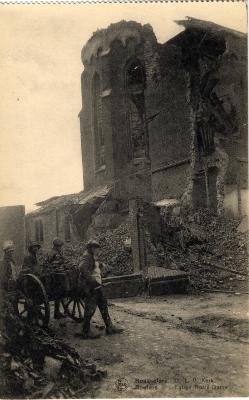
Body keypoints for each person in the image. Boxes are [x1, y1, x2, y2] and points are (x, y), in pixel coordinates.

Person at [78, 240, 123, 339]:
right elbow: (82, 269)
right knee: (90, 308)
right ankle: (85, 331)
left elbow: (94, 265)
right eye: (96, 248)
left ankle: (109, 327)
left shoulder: (93, 256)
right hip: (91, 287)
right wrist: (92, 281)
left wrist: (101, 265)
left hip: (97, 286)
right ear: (91, 248)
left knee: (103, 305)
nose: (98, 250)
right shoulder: (86, 256)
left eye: (98, 248)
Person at [0, 240, 17, 331]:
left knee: (14, 304)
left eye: (12, 251)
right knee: (7, 306)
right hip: (6, 288)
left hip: (13, 284)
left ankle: (15, 318)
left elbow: (14, 272)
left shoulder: (12, 261)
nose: (11, 253)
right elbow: (3, 277)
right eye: (9, 251)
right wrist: (8, 281)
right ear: (6, 252)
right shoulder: (3, 262)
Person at [47, 238, 66, 319]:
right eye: (59, 246)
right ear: (56, 246)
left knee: (59, 295)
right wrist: (56, 266)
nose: (60, 247)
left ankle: (58, 312)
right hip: (53, 276)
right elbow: (47, 263)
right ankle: (56, 313)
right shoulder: (51, 253)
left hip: (60, 273)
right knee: (57, 294)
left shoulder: (59, 252)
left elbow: (64, 260)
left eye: (61, 246)